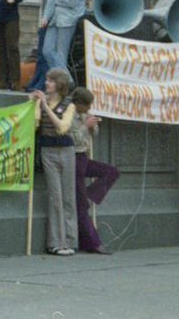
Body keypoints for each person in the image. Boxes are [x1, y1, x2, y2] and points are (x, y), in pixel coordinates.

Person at [32, 67, 78, 256]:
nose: (46, 83)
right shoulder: (41, 103)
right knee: (55, 197)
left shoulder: (69, 105)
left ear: (59, 84)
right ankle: (55, 242)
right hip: (48, 150)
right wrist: (34, 105)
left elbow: (62, 128)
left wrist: (45, 108)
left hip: (66, 150)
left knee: (68, 197)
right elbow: (35, 124)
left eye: (50, 80)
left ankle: (70, 240)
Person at [70, 87, 118, 254]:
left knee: (111, 171)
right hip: (73, 157)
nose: (88, 109)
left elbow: (93, 135)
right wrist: (84, 126)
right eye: (86, 106)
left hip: (83, 157)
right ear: (79, 104)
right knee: (81, 206)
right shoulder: (70, 114)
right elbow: (73, 137)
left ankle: (90, 194)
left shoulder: (84, 114)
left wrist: (92, 126)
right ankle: (93, 243)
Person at [26, 0, 58, 93]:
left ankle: (41, 83)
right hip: (46, 22)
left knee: (45, 55)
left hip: (53, 23)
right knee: (40, 55)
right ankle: (37, 81)